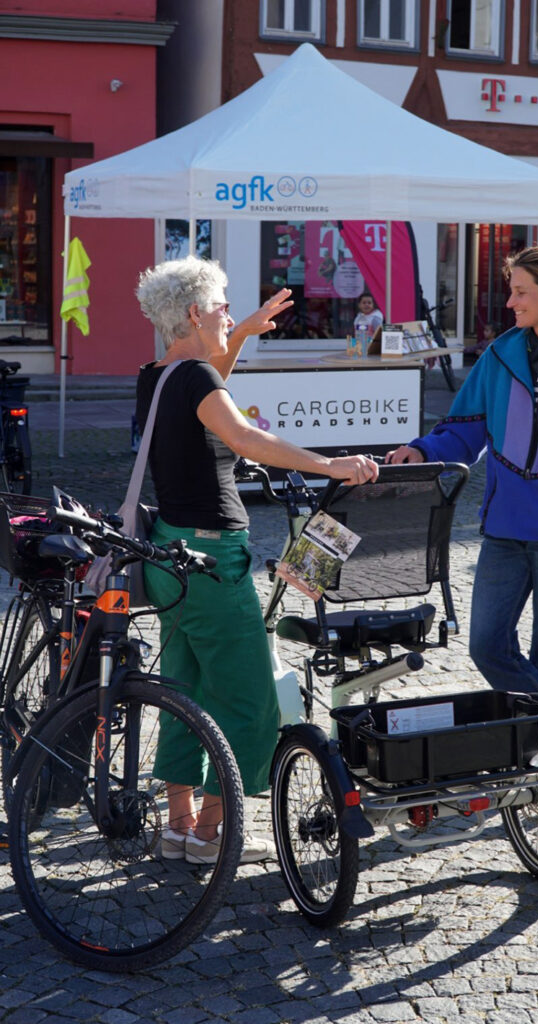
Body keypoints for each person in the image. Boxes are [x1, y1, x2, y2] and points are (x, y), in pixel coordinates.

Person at [135, 254, 379, 865]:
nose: (227, 315)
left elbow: (207, 386)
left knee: (183, 689)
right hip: (213, 560)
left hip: (167, 552)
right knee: (247, 700)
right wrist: (331, 464)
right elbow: (245, 437)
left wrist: (238, 334)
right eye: (220, 307)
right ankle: (214, 835)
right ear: (193, 313)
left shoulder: (158, 374)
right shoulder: (195, 381)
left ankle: (180, 826)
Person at [386, 245, 538, 791]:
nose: (510, 301)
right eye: (511, 290)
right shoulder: (499, 356)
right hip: (505, 532)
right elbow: (466, 426)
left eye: (521, 292)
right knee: (487, 644)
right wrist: (423, 451)